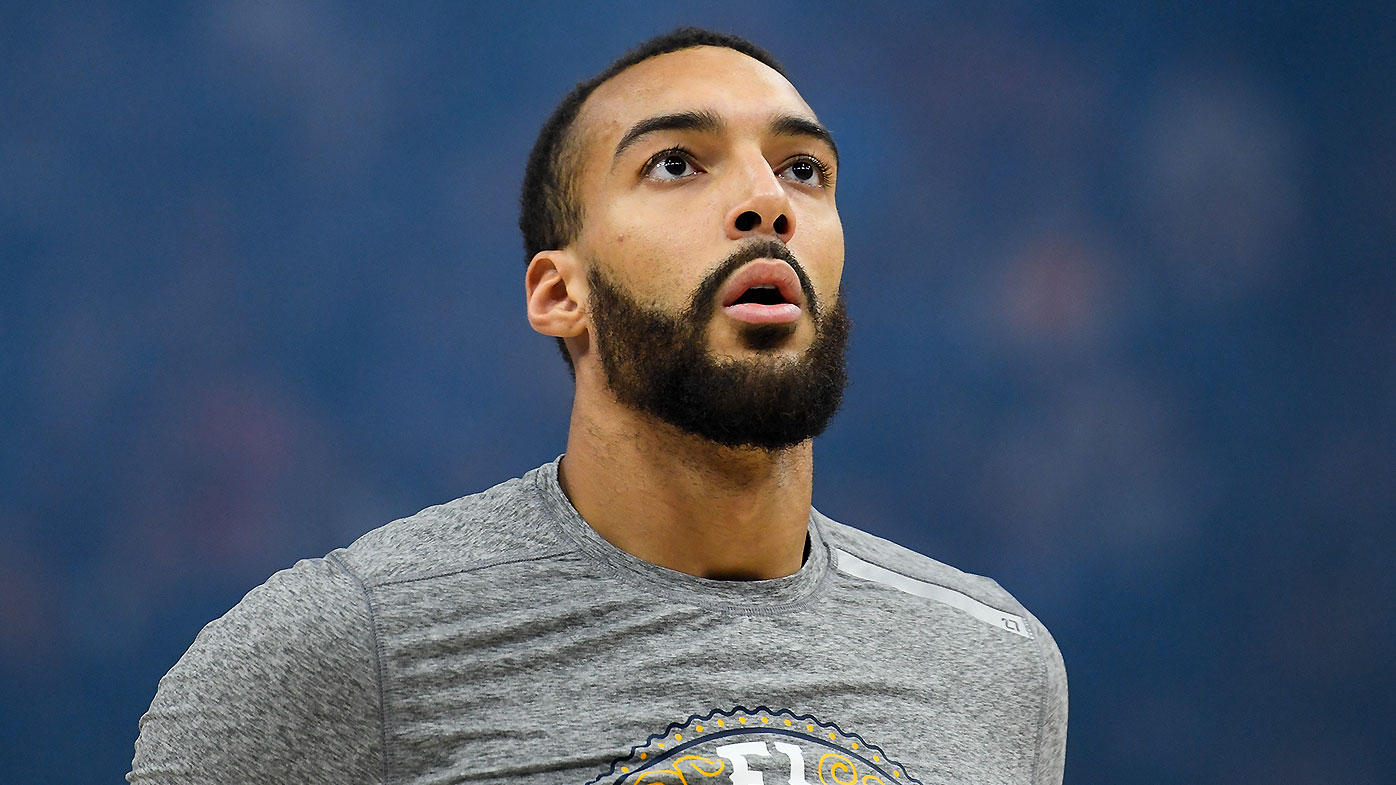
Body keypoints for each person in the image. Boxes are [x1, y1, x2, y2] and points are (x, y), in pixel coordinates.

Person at [129, 27, 1066, 785]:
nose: (766, 200)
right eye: (676, 163)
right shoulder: (349, 643)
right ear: (558, 293)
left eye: (804, 170)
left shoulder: (996, 659)